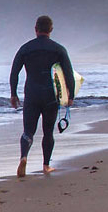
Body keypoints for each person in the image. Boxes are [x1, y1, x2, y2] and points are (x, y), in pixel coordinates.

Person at [9, 15, 74, 177]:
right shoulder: (58, 49)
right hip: (50, 95)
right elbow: (68, 75)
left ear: (35, 29)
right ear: (51, 29)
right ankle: (46, 166)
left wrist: (13, 93)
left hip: (31, 93)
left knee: (28, 131)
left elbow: (14, 72)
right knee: (48, 131)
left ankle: (24, 157)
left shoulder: (25, 48)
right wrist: (70, 95)